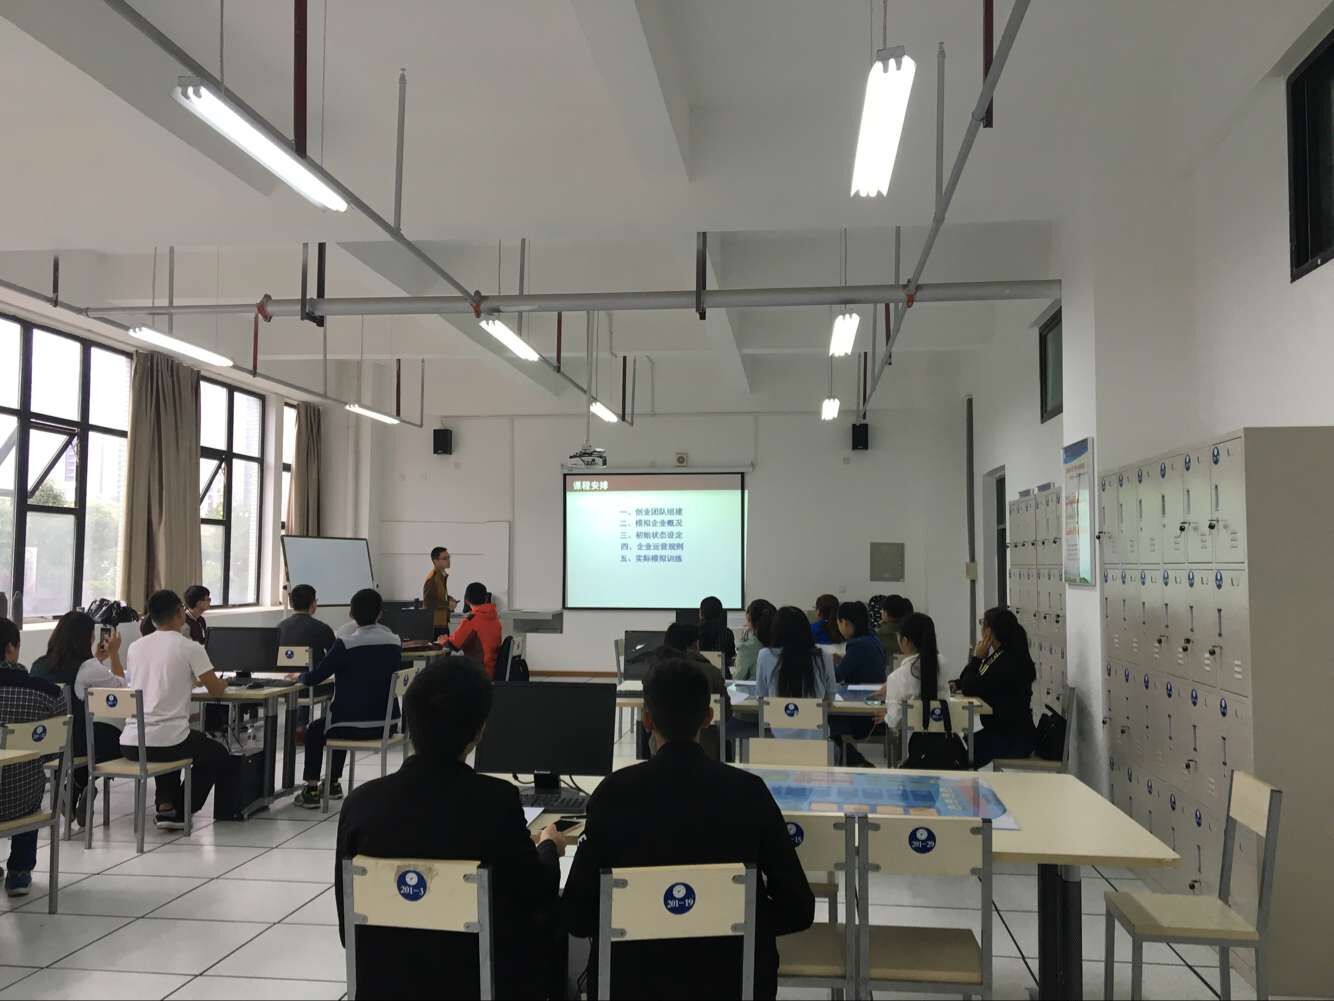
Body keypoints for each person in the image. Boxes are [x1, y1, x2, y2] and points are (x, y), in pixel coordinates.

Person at [564, 658, 815, 999]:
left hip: (632, 982)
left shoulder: (613, 794)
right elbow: (799, 908)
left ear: (647, 719)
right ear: (709, 718)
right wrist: (728, 919)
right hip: (732, 982)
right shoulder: (748, 792)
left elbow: (577, 916)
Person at [336, 657, 567, 999]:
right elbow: (536, 892)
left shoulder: (360, 803)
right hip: (478, 980)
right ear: (479, 730)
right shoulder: (495, 801)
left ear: (410, 722)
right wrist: (548, 846)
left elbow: (348, 928)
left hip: (386, 983)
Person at [120, 590, 229, 830]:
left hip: (131, 740)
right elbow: (216, 690)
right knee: (216, 753)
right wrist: (224, 683)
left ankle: (165, 806)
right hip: (167, 740)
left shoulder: (135, 647)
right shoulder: (190, 647)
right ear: (180, 612)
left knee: (171, 739)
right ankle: (181, 809)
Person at [292, 588, 404, 808]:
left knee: (317, 728)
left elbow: (315, 677)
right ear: (380, 613)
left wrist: (299, 676)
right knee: (336, 721)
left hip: (349, 725)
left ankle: (312, 790)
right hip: (387, 724)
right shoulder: (394, 641)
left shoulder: (345, 644)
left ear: (351, 614)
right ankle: (332, 784)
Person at [30, 611, 127, 825]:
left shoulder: (38, 665)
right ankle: (78, 785)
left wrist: (97, 660)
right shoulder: (87, 667)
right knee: (120, 740)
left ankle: (75, 788)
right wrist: (114, 655)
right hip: (75, 744)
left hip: (43, 743)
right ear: (86, 637)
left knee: (94, 735)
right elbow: (121, 690)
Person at [0, 617, 64, 897]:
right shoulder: (48, 693)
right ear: (11, 648)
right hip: (20, 799)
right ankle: (19, 872)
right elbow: (54, 748)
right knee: (29, 780)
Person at [956, 607, 1038, 766]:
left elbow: (970, 687)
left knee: (958, 757)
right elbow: (977, 680)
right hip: (1006, 733)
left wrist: (976, 658)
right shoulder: (1002, 655)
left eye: (982, 623)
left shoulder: (1005, 662)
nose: (981, 628)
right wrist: (959, 683)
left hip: (1012, 739)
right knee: (958, 746)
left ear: (989, 631)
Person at [640, 622, 726, 760]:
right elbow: (726, 712)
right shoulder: (711, 672)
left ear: (647, 720)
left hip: (658, 749)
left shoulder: (654, 674)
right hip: (707, 747)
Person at [757, 606, 837, 741]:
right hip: (817, 741)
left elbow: (761, 697)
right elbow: (830, 696)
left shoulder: (765, 655)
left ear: (775, 630)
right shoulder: (823, 656)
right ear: (807, 630)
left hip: (778, 739)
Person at [874, 611, 947, 735]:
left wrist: (887, 717)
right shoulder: (943, 665)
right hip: (947, 739)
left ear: (904, 640)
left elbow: (894, 722)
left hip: (915, 742)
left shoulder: (897, 677)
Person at [445, 582, 503, 678]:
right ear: (486, 598)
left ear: (467, 601)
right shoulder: (494, 617)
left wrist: (442, 641)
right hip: (492, 670)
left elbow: (454, 645)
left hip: (478, 673)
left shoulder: (472, 620)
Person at [278, 584, 337, 666]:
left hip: (283, 673)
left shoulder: (279, 628)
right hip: (314, 673)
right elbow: (335, 658)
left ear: (291, 603)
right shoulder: (322, 629)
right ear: (313, 604)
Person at [832, 601, 886, 685]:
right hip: (877, 687)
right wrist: (843, 661)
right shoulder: (873, 637)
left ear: (844, 623)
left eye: (838, 624)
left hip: (863, 691)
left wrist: (830, 663)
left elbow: (836, 676)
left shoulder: (857, 645)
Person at [733, 598, 775, 682]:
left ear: (749, 619)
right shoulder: (781, 643)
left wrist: (742, 641)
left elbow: (738, 678)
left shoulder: (747, 647)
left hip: (752, 690)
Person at [422, 546, 457, 640]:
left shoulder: (441, 575)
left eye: (449, 557)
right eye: (445, 558)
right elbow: (428, 602)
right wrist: (447, 604)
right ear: (436, 561)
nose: (448, 560)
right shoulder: (432, 578)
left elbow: (438, 596)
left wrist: (449, 598)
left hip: (442, 622)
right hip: (436, 625)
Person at [696, 595, 736, 672]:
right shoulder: (728, 632)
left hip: (698, 674)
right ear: (720, 613)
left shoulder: (694, 631)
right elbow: (731, 657)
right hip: (722, 674)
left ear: (701, 613)